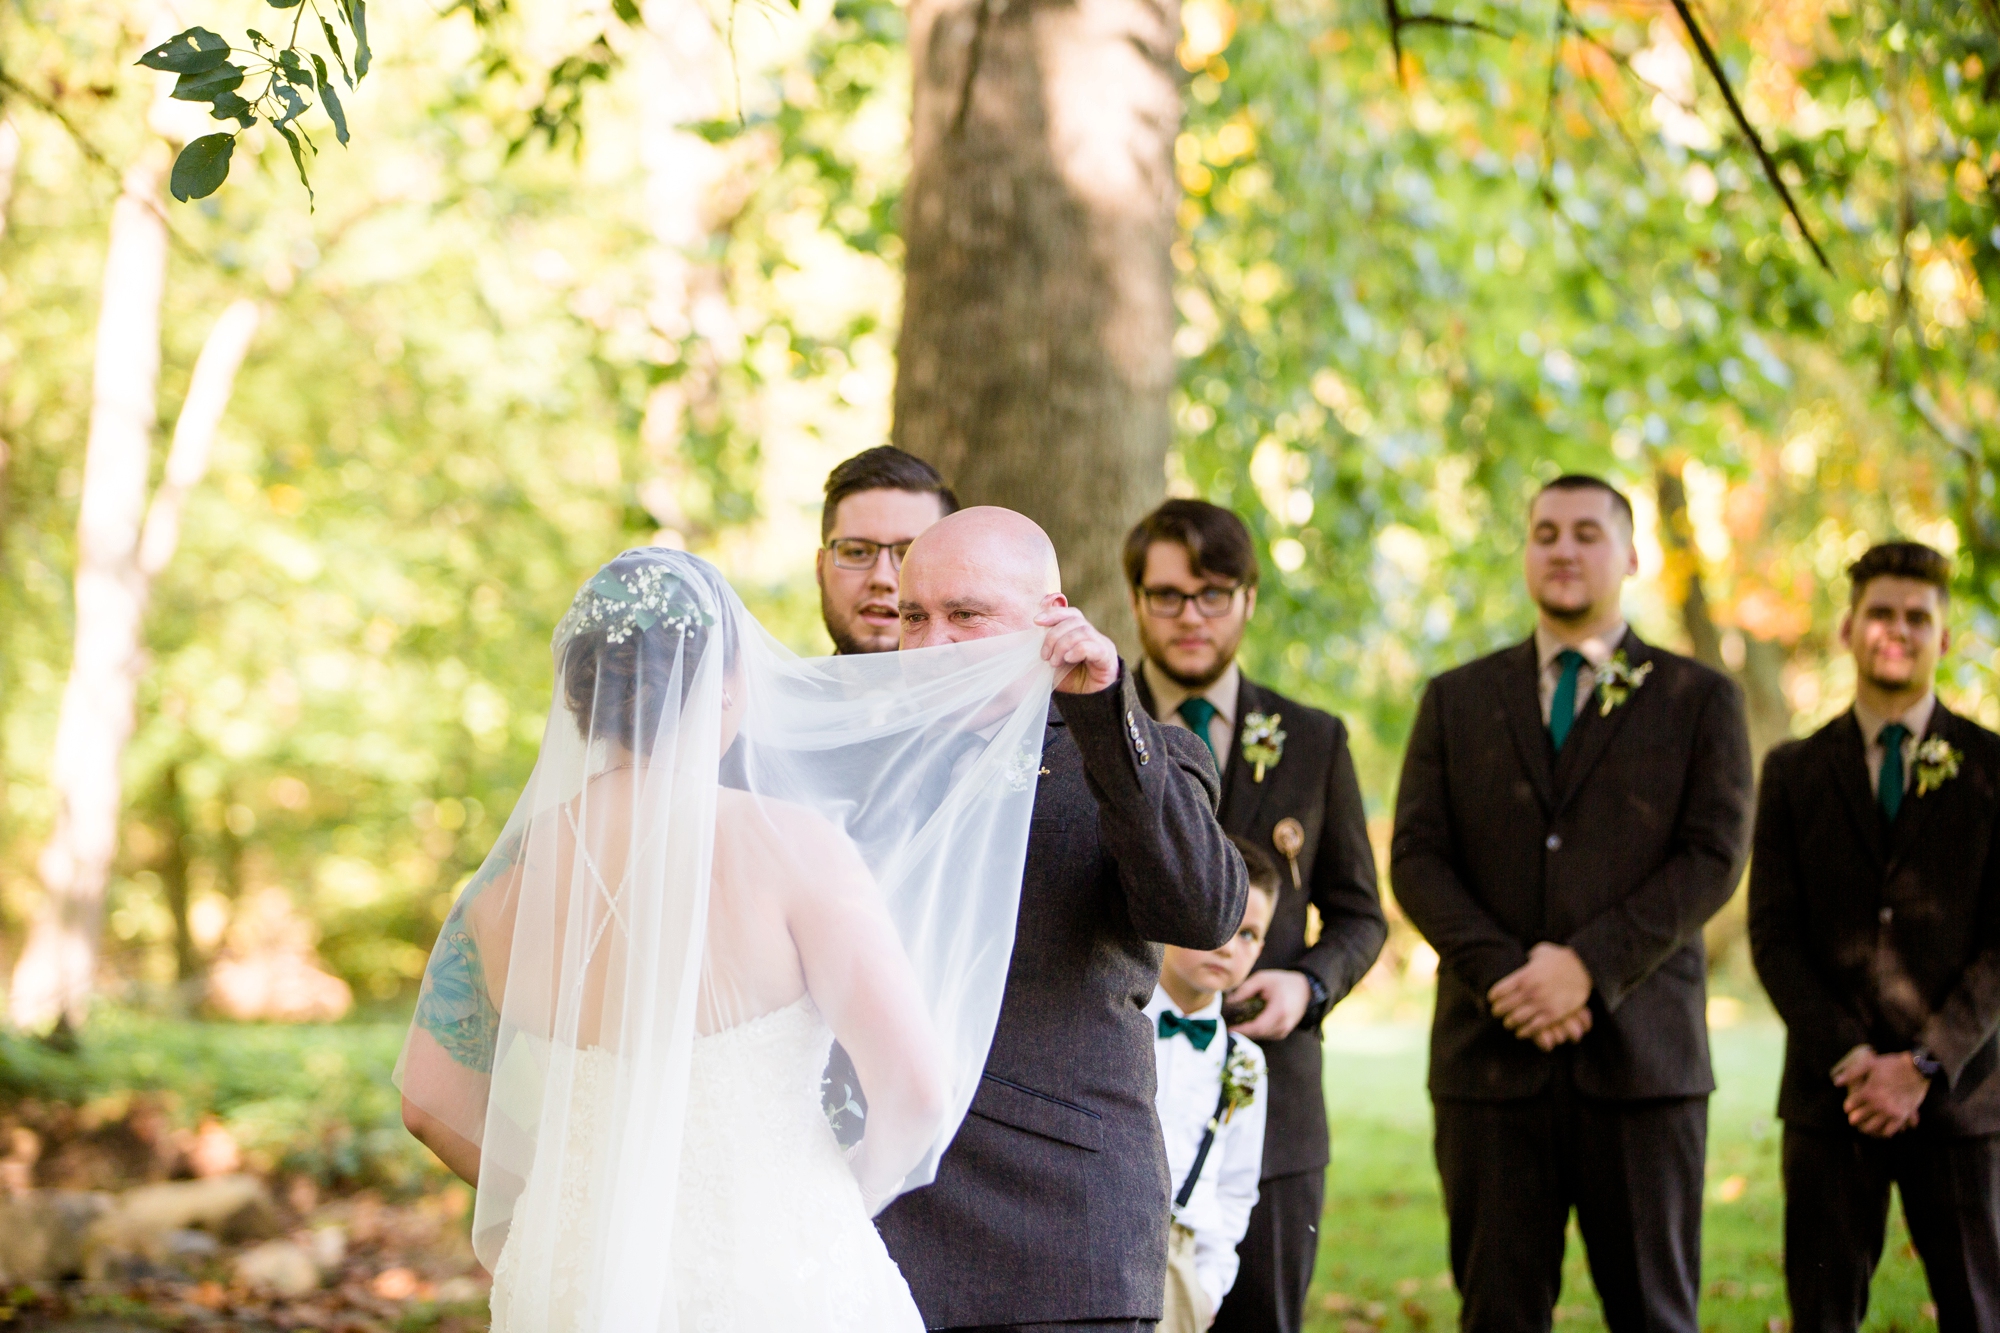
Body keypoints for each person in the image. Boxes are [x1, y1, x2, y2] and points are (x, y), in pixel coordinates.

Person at [396, 548, 1065, 1330]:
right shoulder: (789, 846)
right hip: (776, 1271)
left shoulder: (504, 889)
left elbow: (429, 1101)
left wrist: (560, 1205)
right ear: (726, 683)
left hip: (571, 1281)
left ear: (578, 697)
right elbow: (915, 1092)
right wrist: (831, 1201)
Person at [1390, 474, 1753, 1333]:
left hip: (1644, 1065)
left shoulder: (1699, 697)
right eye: (1545, 531)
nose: (1563, 548)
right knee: (1497, 1315)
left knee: (1655, 1315)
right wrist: (1508, 976)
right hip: (1491, 1061)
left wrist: (1588, 967)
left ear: (1630, 556)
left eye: (1587, 532)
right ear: (1525, 551)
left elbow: (1713, 855)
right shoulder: (1457, 698)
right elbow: (1415, 857)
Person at [876, 506, 1249, 1333]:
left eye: (965, 614)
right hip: (883, 1206)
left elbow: (1202, 909)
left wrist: (1105, 714)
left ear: (1052, 616)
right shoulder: (866, 759)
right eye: (913, 616)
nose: (930, 643)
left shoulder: (1132, 747)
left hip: (1058, 1212)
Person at [1124, 499, 1386, 1333]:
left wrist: (1307, 985)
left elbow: (1359, 914)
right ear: (1136, 599)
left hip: (1271, 1113)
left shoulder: (1314, 739)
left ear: (1249, 599)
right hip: (1114, 1096)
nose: (1190, 615)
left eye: (1214, 592)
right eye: (1167, 594)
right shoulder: (1078, 727)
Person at [1749, 541, 2000, 1333]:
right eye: (1881, 613)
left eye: (1918, 617)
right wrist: (1854, 1058)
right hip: (1834, 1101)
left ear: (1945, 637)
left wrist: (1925, 1061)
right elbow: (1773, 932)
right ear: (1847, 630)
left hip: (1961, 1098)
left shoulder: (1993, 765)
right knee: (1822, 1315)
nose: (1899, 630)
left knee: (1979, 1310)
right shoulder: (1793, 769)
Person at [1151, 836, 1278, 1333]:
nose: (1227, 945)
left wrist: (1209, 1285)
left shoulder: (1245, 1064)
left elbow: (1235, 1188)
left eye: (1247, 934)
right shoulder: (1115, 1027)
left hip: (1183, 1272)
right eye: (1217, 919)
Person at [818, 445, 958, 655]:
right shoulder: (763, 688)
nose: (881, 579)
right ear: (820, 569)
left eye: (911, 554)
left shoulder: (1008, 688)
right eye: (857, 552)